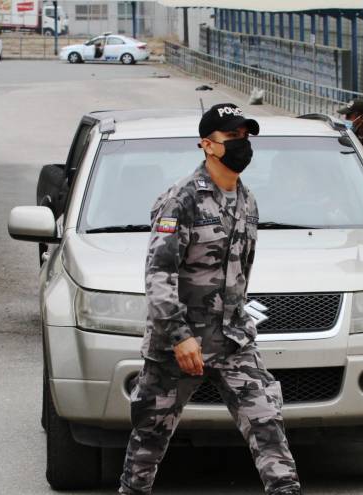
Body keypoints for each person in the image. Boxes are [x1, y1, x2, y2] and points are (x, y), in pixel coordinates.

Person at [119, 103, 301, 495]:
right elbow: (159, 273)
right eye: (232, 137)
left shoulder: (247, 200)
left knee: (267, 422)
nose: (242, 144)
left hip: (233, 340)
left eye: (245, 136)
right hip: (179, 344)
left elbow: (239, 274)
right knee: (149, 440)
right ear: (207, 145)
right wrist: (179, 336)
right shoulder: (181, 200)